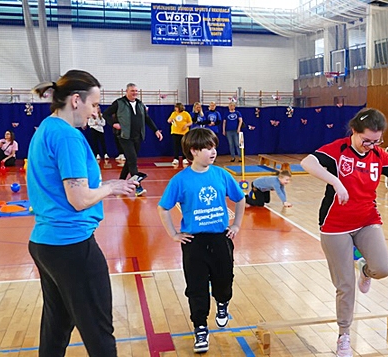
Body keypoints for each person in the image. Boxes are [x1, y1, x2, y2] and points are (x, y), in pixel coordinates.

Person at [27, 70, 137, 356]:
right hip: (71, 246)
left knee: (57, 325)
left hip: (45, 244)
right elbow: (79, 199)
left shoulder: (46, 129)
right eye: (94, 105)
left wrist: (107, 186)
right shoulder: (67, 136)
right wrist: (111, 187)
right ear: (76, 100)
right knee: (98, 330)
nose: (95, 112)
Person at [300, 108, 388, 357]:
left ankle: (365, 270)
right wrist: (335, 181)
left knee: (384, 268)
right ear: (355, 131)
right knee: (345, 285)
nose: (371, 145)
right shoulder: (339, 149)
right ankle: (344, 335)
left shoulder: (378, 155)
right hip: (335, 225)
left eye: (376, 141)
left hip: (367, 220)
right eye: (366, 140)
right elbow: (307, 162)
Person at [157, 128, 245, 354]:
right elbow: (163, 207)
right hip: (194, 243)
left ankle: (222, 304)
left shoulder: (222, 174)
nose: (213, 151)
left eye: (214, 146)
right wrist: (173, 234)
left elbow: (240, 198)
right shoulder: (180, 180)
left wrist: (236, 225)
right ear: (193, 151)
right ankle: (200, 328)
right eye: (207, 148)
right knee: (196, 288)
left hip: (220, 239)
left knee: (224, 281)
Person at [103, 83, 163, 196]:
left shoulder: (140, 104)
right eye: (132, 91)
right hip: (125, 136)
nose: (134, 93)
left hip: (138, 137)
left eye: (136, 91)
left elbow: (147, 118)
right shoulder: (119, 103)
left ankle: (120, 182)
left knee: (131, 161)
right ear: (127, 91)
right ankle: (138, 188)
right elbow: (106, 114)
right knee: (133, 161)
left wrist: (156, 130)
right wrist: (114, 123)